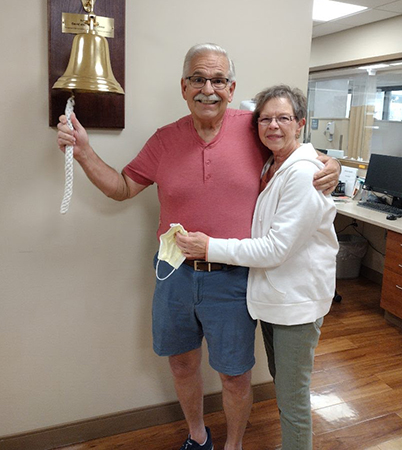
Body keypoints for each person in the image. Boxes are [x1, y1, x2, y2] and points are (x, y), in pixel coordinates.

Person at [56, 44, 340, 450]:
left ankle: (234, 444)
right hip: (173, 273)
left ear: (231, 87)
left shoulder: (253, 128)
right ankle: (197, 436)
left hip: (233, 278)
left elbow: (293, 150)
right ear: (184, 87)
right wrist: (83, 152)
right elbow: (121, 188)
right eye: (198, 79)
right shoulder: (163, 141)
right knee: (182, 363)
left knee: (235, 374)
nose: (209, 89)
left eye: (218, 80)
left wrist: (333, 164)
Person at [175, 84, 339, 450]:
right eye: (266, 119)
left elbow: (276, 248)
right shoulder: (273, 163)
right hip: (276, 299)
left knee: (293, 397)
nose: (273, 126)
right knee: (285, 384)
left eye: (283, 118)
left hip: (296, 304)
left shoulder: (302, 174)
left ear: (301, 123)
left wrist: (209, 247)